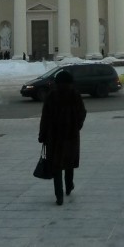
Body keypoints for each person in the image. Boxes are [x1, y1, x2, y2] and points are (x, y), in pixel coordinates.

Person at [39, 70, 87, 206]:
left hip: (54, 136)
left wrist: (42, 134)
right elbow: (82, 112)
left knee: (56, 166)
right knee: (69, 162)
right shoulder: (75, 95)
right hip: (70, 135)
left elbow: (45, 117)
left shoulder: (51, 95)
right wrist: (76, 125)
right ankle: (69, 185)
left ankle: (59, 195)